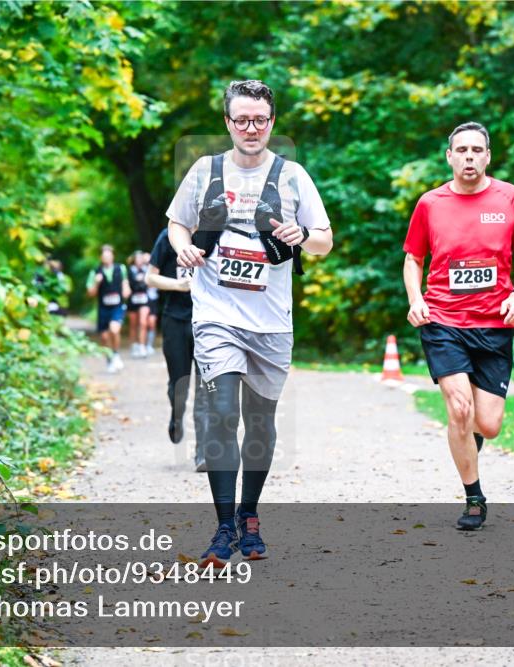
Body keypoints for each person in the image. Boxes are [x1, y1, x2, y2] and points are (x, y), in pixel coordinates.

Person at [166, 79, 333, 567]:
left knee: (260, 420)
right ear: (228, 123)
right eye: (241, 119)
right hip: (216, 315)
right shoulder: (205, 171)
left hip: (271, 323)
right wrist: (184, 246)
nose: (251, 128)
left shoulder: (292, 176)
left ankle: (249, 515)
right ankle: (222, 529)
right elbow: (178, 222)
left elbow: (324, 240)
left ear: (272, 122)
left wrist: (301, 235)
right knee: (222, 414)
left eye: (259, 119)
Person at [402, 121, 514, 531]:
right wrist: (416, 299)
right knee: (459, 408)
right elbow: (413, 259)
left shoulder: (510, 197)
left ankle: (468, 443)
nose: (468, 157)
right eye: (461, 150)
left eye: (477, 150)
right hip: (443, 320)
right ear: (449, 156)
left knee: (489, 425)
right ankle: (474, 497)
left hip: (494, 324)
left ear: (488, 156)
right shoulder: (430, 203)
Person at [147, 229, 206, 471]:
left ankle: (203, 453)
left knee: (207, 388)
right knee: (178, 384)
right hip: (175, 320)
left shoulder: (214, 235)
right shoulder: (168, 236)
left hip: (208, 322)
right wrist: (179, 285)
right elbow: (150, 278)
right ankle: (176, 415)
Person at [86, 245, 131, 373]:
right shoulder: (95, 272)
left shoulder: (120, 268)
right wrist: (96, 282)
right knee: (105, 338)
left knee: (114, 329)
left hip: (117, 306)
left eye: (109, 255)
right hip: (103, 308)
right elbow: (90, 293)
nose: (107, 257)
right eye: (104, 255)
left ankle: (116, 354)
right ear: (101, 257)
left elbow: (125, 283)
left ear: (113, 256)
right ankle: (109, 360)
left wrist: (126, 290)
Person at [127, 251, 152, 358]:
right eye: (137, 259)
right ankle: (134, 345)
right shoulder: (129, 271)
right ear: (134, 260)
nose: (139, 260)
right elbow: (130, 285)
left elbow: (148, 283)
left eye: (141, 258)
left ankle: (142, 346)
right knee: (133, 324)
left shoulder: (147, 270)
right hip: (133, 300)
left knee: (143, 322)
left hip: (144, 299)